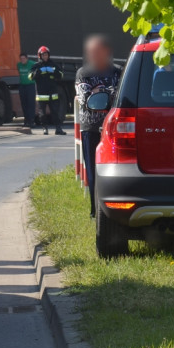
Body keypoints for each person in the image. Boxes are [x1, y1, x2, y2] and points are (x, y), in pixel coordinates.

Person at [75, 35, 122, 217]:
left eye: (99, 51)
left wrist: (101, 91)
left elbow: (122, 94)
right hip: (91, 127)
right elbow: (85, 97)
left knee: (113, 169)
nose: (96, 55)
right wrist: (108, 92)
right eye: (92, 52)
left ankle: (113, 207)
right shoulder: (83, 73)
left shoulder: (118, 71)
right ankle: (95, 210)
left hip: (113, 126)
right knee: (93, 171)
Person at [30, 46, 66, 135]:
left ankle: (58, 129)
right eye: (43, 55)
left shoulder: (53, 65)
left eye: (46, 54)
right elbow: (30, 77)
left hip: (53, 94)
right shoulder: (36, 66)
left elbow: (61, 75)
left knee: (55, 113)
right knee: (42, 115)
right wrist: (38, 72)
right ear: (40, 56)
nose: (45, 56)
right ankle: (45, 129)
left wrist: (53, 72)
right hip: (41, 95)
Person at [17, 53, 37, 127]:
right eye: (21, 59)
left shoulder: (32, 63)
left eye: (24, 59)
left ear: (27, 58)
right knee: (24, 104)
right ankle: (26, 120)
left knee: (31, 104)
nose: (22, 60)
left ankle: (31, 121)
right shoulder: (18, 65)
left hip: (30, 85)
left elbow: (37, 67)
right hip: (22, 86)